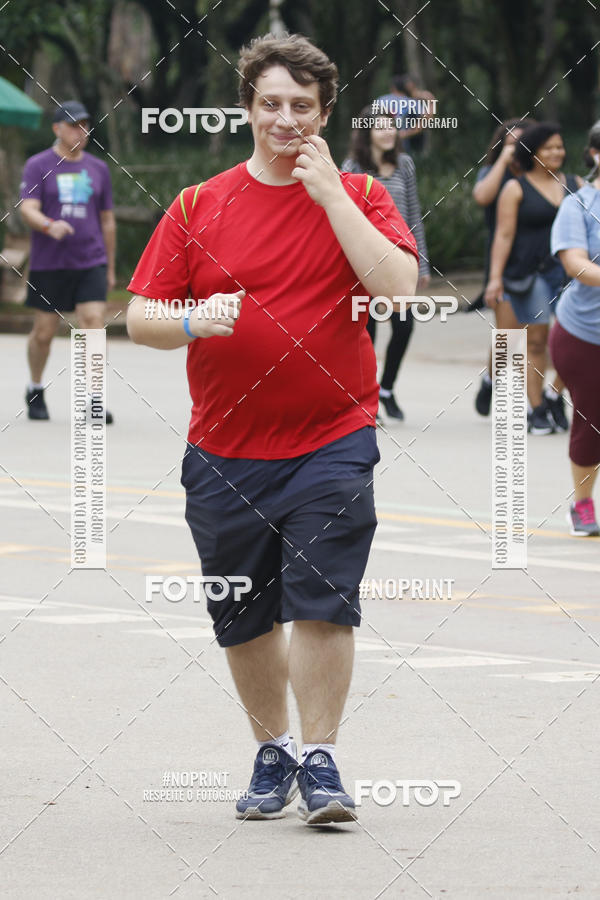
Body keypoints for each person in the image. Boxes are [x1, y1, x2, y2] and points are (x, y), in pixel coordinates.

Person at [126, 33, 418, 825]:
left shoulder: (357, 191)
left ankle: (321, 762)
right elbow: (139, 317)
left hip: (333, 435)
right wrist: (191, 319)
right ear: (248, 108)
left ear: (324, 114)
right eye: (270, 104)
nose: (285, 119)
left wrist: (330, 198)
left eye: (301, 106)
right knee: (245, 614)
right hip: (223, 449)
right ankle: (275, 751)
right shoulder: (198, 204)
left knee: (324, 599)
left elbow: (396, 289)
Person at [20, 100, 116, 422]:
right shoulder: (38, 164)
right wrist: (50, 225)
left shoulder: (98, 168)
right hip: (50, 263)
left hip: (90, 261)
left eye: (86, 125)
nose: (81, 131)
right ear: (57, 128)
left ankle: (94, 398)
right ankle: (35, 387)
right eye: (74, 124)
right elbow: (28, 209)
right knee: (44, 332)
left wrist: (111, 266)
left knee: (92, 322)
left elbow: (107, 220)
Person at [484, 121, 581, 435]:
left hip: (570, 273)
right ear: (533, 153)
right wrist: (495, 279)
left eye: (559, 147)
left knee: (578, 339)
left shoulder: (576, 185)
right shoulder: (516, 188)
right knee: (535, 341)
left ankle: (555, 393)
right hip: (530, 273)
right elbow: (504, 235)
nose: (556, 152)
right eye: (548, 148)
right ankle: (536, 408)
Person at [342, 108, 430, 421]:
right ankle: (365, 399)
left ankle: (387, 389)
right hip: (363, 261)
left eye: (391, 127)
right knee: (367, 331)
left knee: (404, 327)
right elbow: (343, 217)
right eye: (380, 127)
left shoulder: (405, 164)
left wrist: (421, 263)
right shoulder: (352, 167)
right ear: (366, 132)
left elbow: (413, 213)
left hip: (399, 261)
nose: (387, 132)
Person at [549, 121, 600, 536]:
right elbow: (576, 265)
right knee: (592, 421)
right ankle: (582, 504)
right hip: (585, 335)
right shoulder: (578, 206)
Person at [472, 118, 534, 415]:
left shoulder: (541, 175)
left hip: (537, 261)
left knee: (530, 334)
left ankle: (533, 402)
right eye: (511, 142)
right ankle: (491, 379)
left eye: (522, 142)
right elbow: (482, 196)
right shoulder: (491, 172)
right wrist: (506, 159)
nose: (516, 147)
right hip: (502, 259)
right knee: (509, 334)